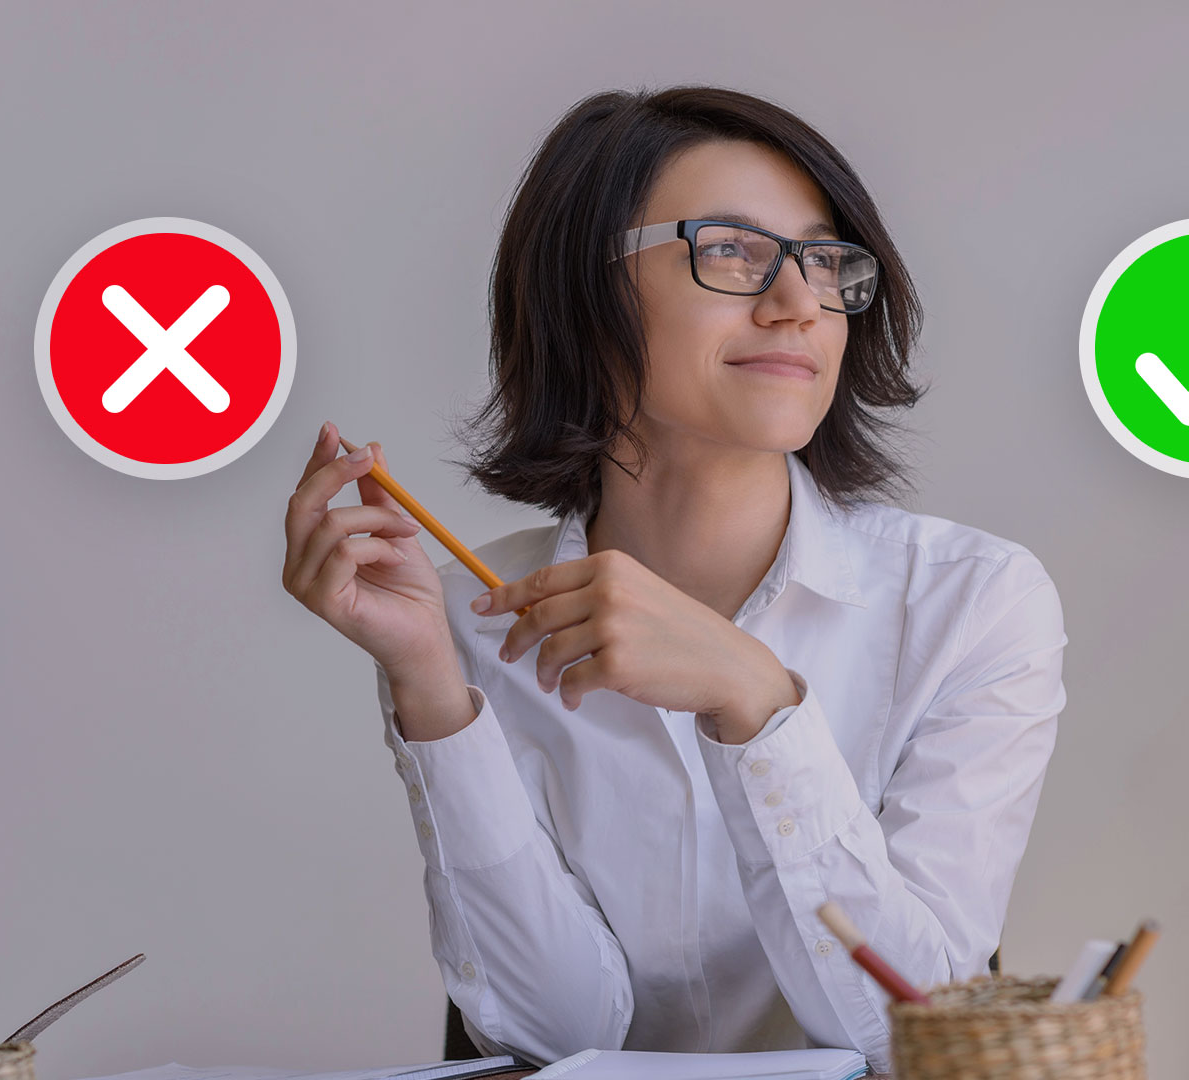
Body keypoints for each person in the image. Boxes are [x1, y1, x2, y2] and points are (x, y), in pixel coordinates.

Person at [281, 86, 1065, 1074]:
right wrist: (436, 695)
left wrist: (757, 700)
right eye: (731, 249)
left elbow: (909, 1032)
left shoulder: (972, 605)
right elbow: (559, 1039)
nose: (797, 306)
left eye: (824, 262)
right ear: (583, 294)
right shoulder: (464, 620)